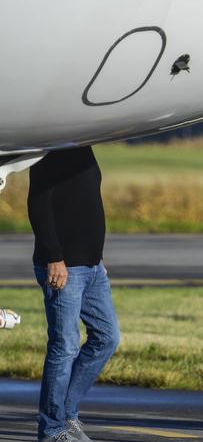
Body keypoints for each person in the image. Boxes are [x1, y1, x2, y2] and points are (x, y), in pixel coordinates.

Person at [28, 146, 120, 442]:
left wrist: (99, 258)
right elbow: (38, 205)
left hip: (92, 267)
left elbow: (86, 204)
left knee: (107, 337)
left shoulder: (85, 149)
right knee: (65, 346)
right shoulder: (50, 151)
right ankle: (52, 429)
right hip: (63, 267)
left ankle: (65, 415)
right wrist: (54, 257)